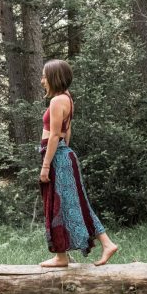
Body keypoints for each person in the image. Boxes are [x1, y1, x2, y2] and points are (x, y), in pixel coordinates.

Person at [38, 59, 120, 268]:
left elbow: (56, 135)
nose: (42, 80)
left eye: (45, 76)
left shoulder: (57, 101)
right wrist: (64, 154)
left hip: (58, 158)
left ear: (54, 77)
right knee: (72, 204)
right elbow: (68, 132)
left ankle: (62, 255)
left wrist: (47, 164)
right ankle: (99, 244)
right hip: (63, 156)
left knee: (59, 205)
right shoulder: (67, 98)